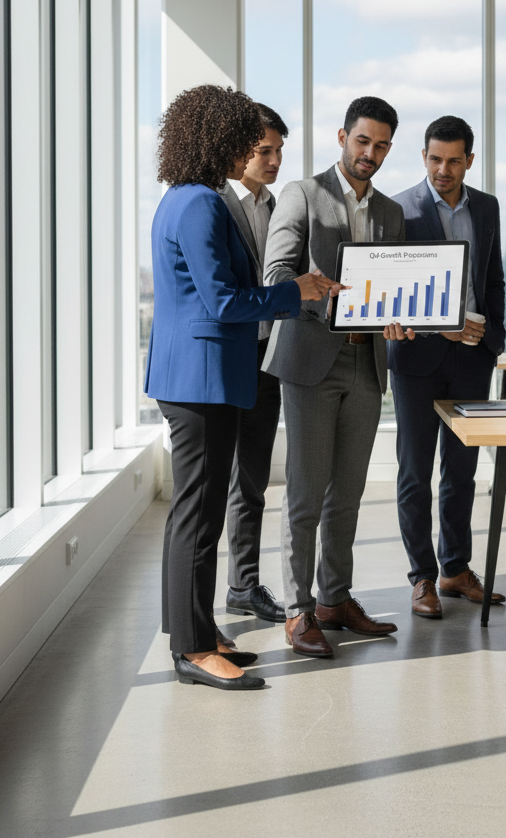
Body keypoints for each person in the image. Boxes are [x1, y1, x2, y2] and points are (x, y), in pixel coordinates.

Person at [146, 84, 343, 690]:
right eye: (244, 141)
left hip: (195, 374)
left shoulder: (179, 198)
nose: (252, 151)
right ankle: (191, 650)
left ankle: (197, 633)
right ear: (218, 141)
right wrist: (297, 291)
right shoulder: (202, 205)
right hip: (201, 378)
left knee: (197, 512)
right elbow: (225, 301)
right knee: (197, 517)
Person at [263, 95, 414, 658]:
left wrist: (397, 321)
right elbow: (277, 272)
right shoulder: (303, 194)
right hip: (310, 359)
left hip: (368, 362)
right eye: (361, 141)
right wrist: (321, 298)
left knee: (347, 494)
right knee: (305, 493)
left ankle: (334, 598)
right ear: (342, 136)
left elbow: (391, 288)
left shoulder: (392, 213)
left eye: (379, 146)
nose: (369, 154)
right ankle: (298, 610)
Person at [389, 116, 506, 619]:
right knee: (415, 471)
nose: (443, 169)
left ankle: (455, 568)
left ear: (469, 161)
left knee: (461, 472)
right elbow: (395, 288)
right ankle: (422, 577)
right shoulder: (398, 210)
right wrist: (445, 327)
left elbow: (494, 278)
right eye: (435, 159)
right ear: (424, 157)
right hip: (417, 358)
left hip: (473, 358)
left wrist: (491, 340)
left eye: (453, 160)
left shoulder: (487, 207)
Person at [219, 104, 290, 623]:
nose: (273, 160)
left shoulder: (278, 204)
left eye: (278, 151)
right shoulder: (215, 203)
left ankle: (243, 584)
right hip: (226, 359)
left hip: (268, 357)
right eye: (263, 150)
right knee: (222, 480)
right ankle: (225, 587)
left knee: (252, 479)